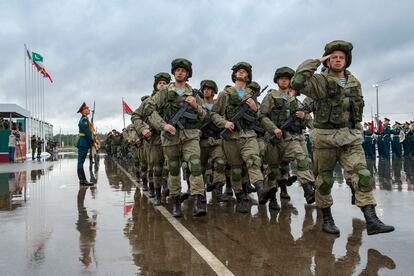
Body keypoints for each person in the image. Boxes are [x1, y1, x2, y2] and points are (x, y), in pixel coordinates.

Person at [291, 40, 394, 235]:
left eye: (342, 57)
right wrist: (316, 60)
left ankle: (371, 220)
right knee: (324, 181)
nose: (338, 60)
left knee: (362, 175)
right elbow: (297, 81)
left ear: (347, 61)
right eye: (333, 57)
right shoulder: (319, 82)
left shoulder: (355, 82)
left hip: (350, 138)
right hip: (325, 139)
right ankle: (327, 219)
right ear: (328, 61)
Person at [144, 58, 208, 217]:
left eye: (183, 71)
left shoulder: (194, 93)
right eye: (177, 70)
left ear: (188, 74)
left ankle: (199, 200)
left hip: (190, 136)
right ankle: (176, 201)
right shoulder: (164, 92)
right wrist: (163, 125)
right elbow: (148, 108)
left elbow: (205, 115)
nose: (180, 73)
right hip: (170, 137)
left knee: (195, 165)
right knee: (173, 169)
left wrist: (195, 106)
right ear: (174, 73)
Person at [211, 62, 276, 213]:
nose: (241, 73)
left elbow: (260, 115)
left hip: (248, 135)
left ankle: (261, 190)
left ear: (248, 76)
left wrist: (255, 108)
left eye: (244, 71)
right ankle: (240, 198)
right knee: (235, 171)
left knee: (254, 160)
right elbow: (214, 114)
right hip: (231, 137)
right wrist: (224, 123)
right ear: (234, 75)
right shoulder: (224, 94)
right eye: (238, 71)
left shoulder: (250, 95)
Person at [260, 67, 316, 209]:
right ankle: (272, 198)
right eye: (281, 79)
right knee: (273, 170)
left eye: (287, 79)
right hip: (273, 138)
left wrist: (304, 118)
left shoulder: (295, 101)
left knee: (301, 158)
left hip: (289, 139)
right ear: (277, 81)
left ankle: (307, 189)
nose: (284, 81)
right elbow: (261, 116)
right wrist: (274, 129)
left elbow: (305, 117)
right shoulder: (270, 97)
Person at [76, 102, 95, 186]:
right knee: (80, 162)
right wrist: (91, 141)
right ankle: (82, 180)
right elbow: (87, 132)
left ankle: (82, 180)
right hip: (83, 143)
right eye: (87, 108)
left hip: (83, 142)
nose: (88, 109)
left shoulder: (85, 119)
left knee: (81, 162)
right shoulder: (84, 120)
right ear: (83, 111)